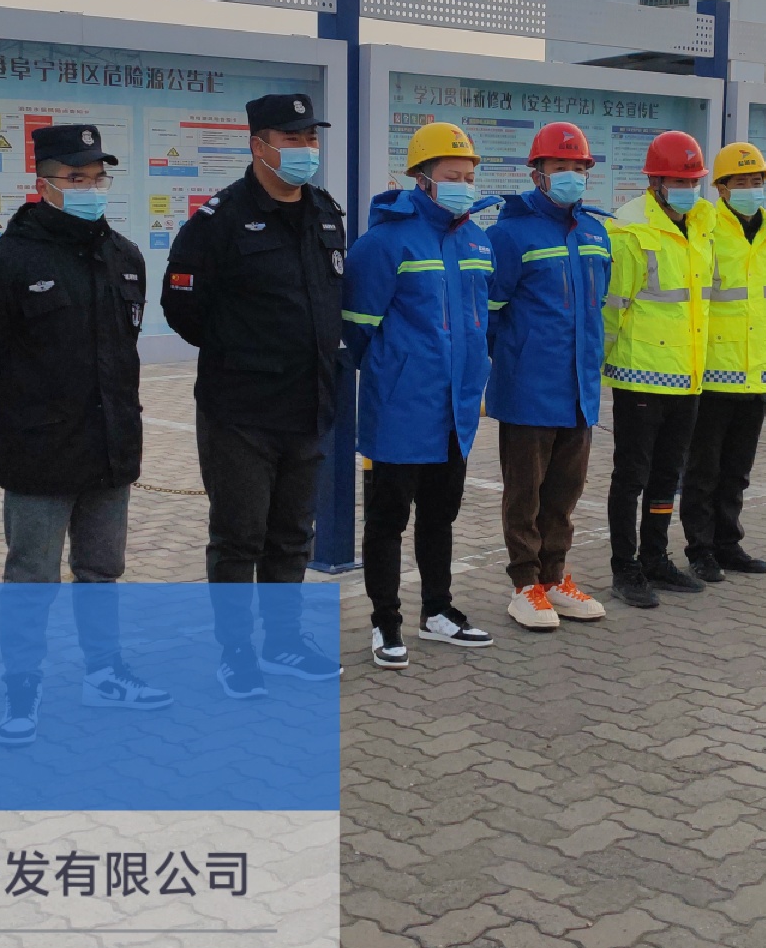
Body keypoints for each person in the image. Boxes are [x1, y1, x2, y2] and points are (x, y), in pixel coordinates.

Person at [0, 122, 171, 740]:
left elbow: (122, 346)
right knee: (31, 578)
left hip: (110, 446)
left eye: (98, 177)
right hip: (40, 450)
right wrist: (31, 404)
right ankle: (22, 691)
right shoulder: (6, 261)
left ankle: (104, 674)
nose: (90, 188)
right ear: (44, 183)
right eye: (76, 178)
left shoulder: (123, 255)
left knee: (102, 571)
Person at [160, 91, 346, 691]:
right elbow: (183, 308)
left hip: (308, 405)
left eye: (310, 138)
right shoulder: (219, 220)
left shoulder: (325, 212)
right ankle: (236, 651)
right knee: (239, 538)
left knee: (292, 536)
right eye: (292, 139)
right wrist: (243, 354)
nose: (306, 149)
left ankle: (283, 641)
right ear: (258, 146)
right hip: (240, 411)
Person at [342, 121, 498, 667]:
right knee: (388, 521)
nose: (464, 185)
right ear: (422, 178)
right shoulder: (384, 242)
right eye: (453, 175)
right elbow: (358, 329)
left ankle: (438, 611)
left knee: (440, 515)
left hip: (456, 409)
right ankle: (385, 623)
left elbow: (483, 320)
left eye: (469, 176)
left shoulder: (477, 240)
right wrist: (401, 371)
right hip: (400, 408)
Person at [485, 121, 611, 632]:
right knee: (525, 495)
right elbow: (490, 314)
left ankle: (555, 577)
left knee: (564, 493)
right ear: (537, 173)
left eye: (579, 168)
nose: (571, 176)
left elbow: (598, 304)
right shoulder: (508, 234)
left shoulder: (596, 232)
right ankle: (525, 585)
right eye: (561, 167)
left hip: (579, 388)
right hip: (528, 388)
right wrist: (517, 360)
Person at [601, 129, 713, 610]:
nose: (688, 189)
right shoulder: (630, 230)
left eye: (693, 180)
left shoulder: (701, 226)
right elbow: (612, 307)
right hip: (639, 376)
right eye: (678, 181)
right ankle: (624, 567)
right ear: (655, 183)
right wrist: (599, 365)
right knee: (632, 476)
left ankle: (655, 558)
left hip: (687, 376)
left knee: (668, 476)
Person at [683, 140, 766, 581]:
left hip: (757, 373)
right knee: (703, 470)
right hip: (713, 373)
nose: (751, 189)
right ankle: (700, 549)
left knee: (737, 471)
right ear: (722, 188)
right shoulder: (706, 233)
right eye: (741, 182)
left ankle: (728, 545)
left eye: (756, 181)